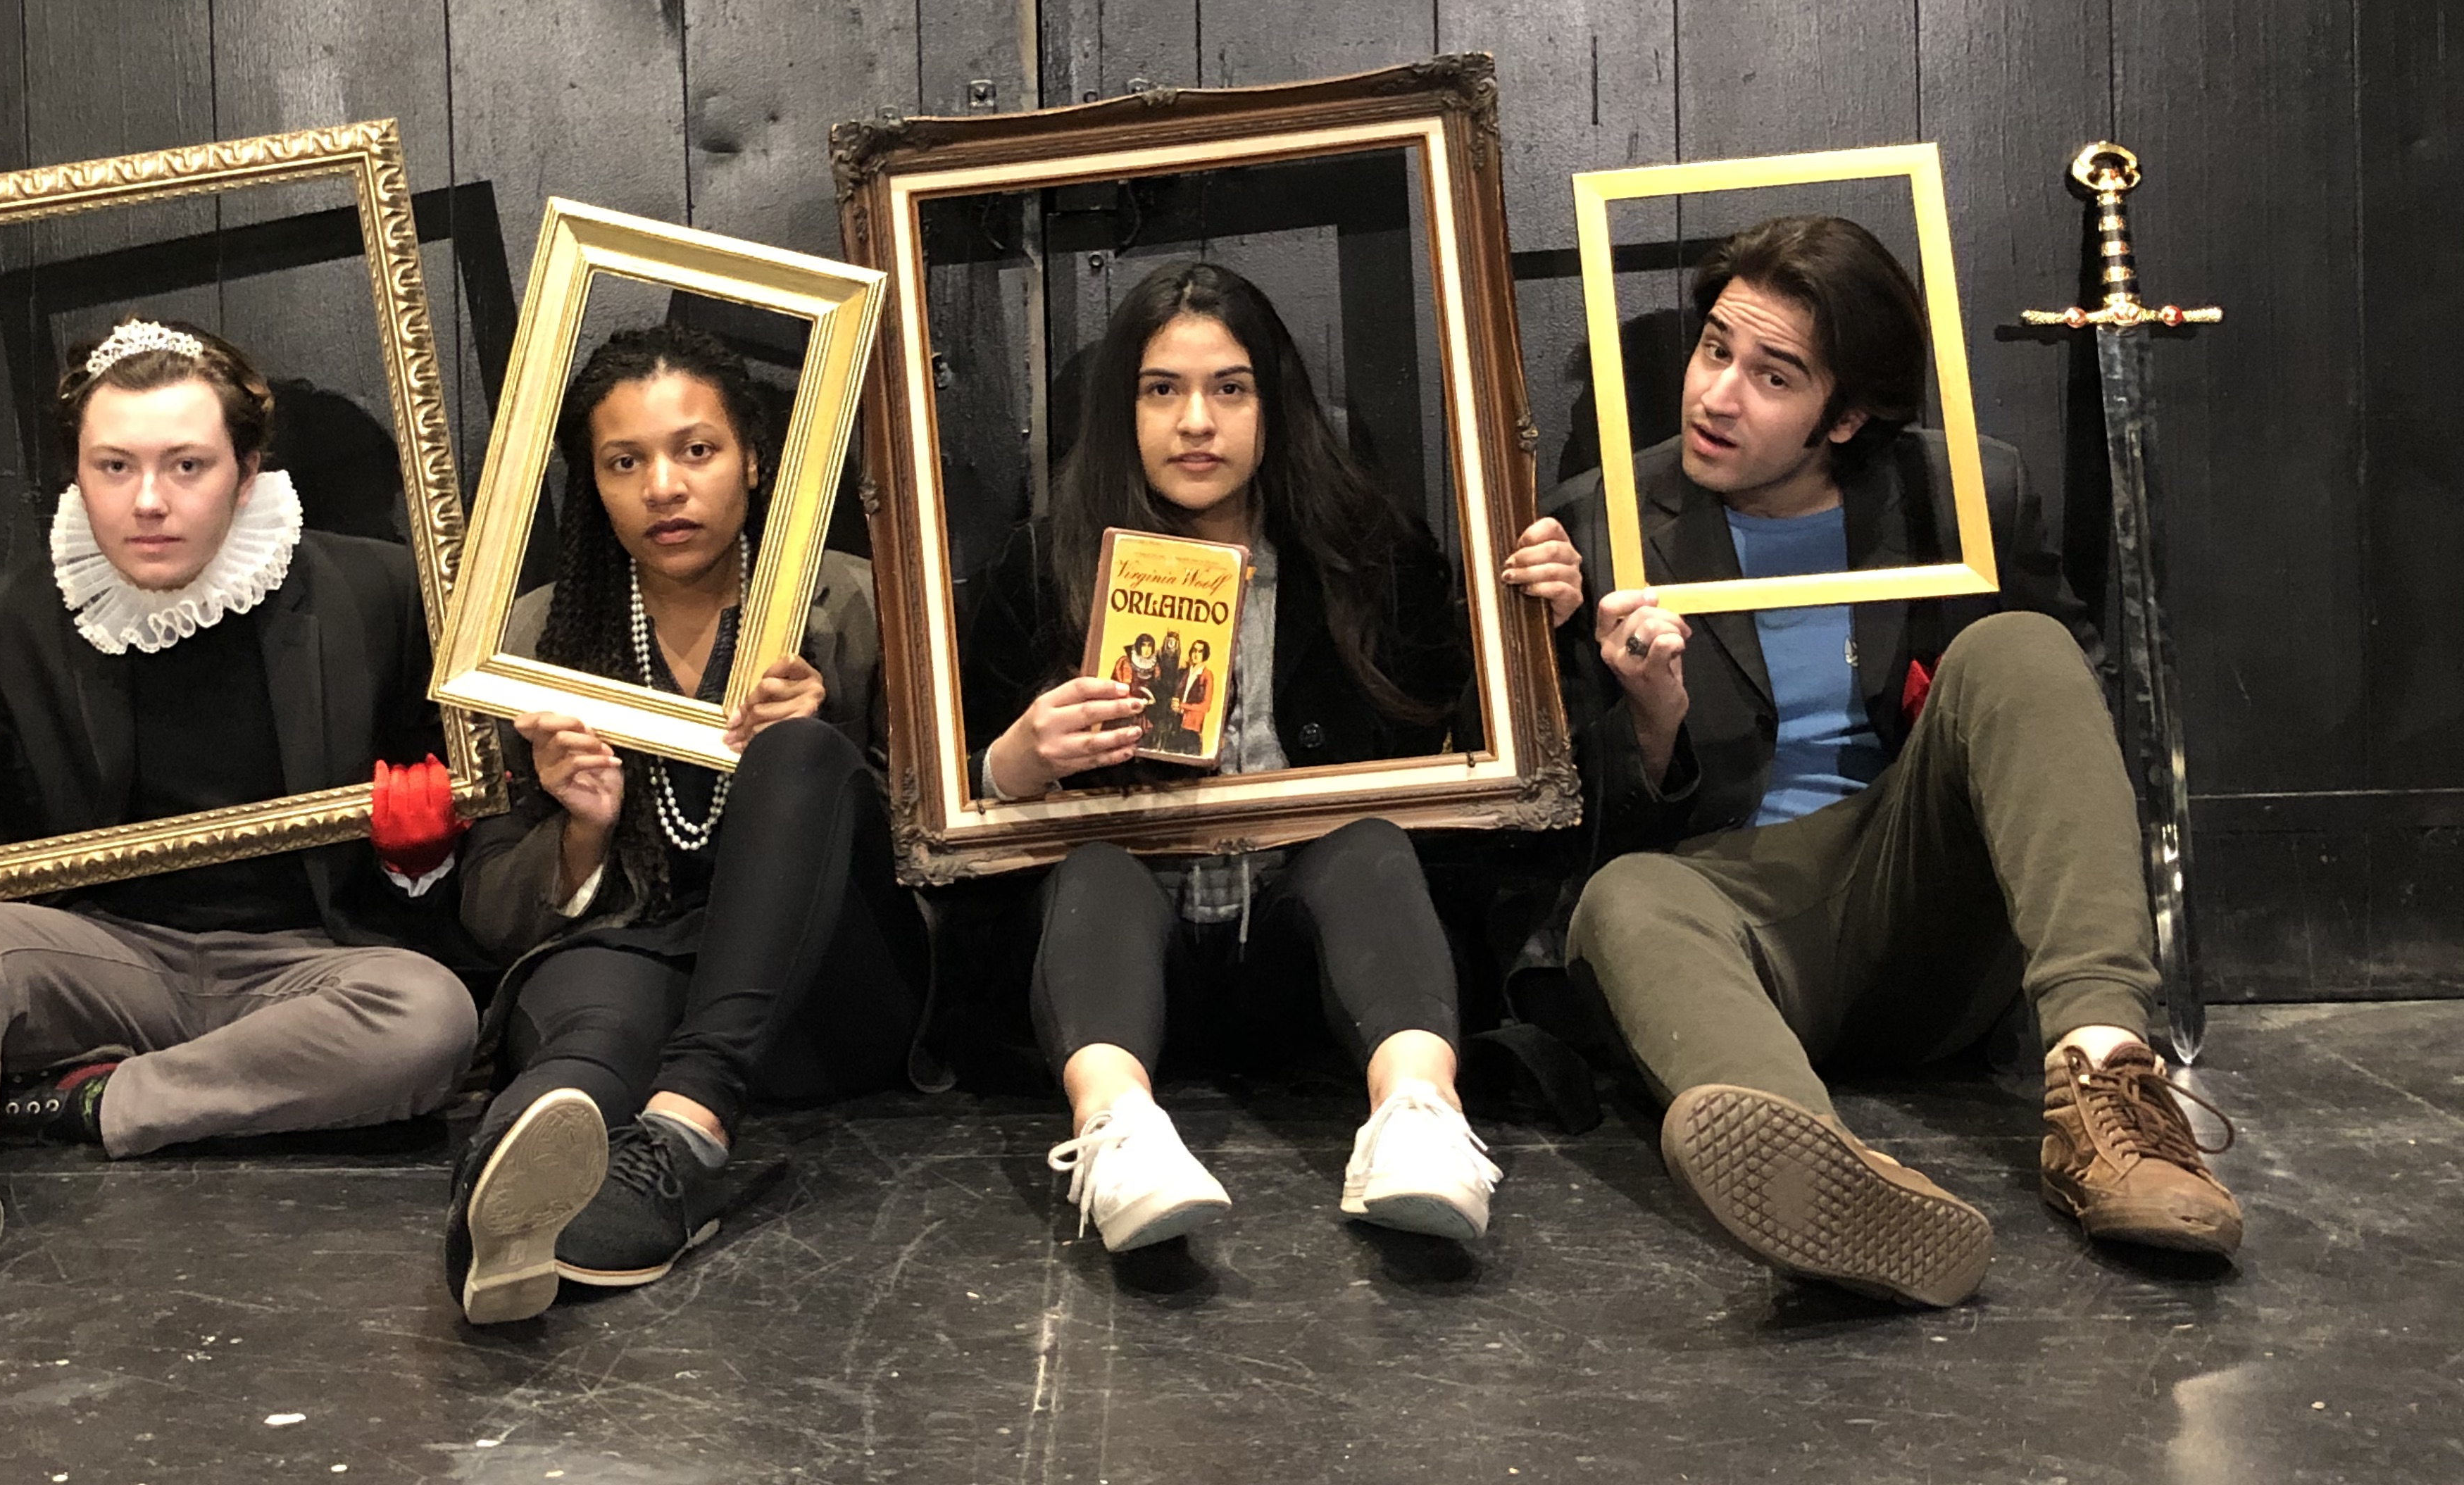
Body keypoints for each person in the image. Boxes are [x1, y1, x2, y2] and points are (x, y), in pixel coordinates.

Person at [1528, 214, 2241, 1308]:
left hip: (1920, 898)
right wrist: (1653, 712)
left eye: (1774, 376)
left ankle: (2107, 1090)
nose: (1718, 395)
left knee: (2024, 647)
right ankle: (1822, 1179)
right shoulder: (1603, 524)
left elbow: (2064, 732)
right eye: (1715, 349)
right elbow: (1585, 833)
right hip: (1735, 920)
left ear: (1848, 414)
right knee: (1621, 896)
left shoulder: (1967, 496)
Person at [0, 320, 480, 1316]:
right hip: (107, 955)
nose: (148, 501)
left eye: (186, 465)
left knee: (430, 1016)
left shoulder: (376, 589)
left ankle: (82, 1104)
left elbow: (462, 815)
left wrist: (421, 857)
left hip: (310, 968)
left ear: (247, 473)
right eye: (114, 466)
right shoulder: (21, 607)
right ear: (78, 472)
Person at [960, 259, 1511, 1253]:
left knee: (1371, 843)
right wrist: (1012, 762)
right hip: (1124, 967)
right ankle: (1117, 1134)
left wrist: (1538, 621)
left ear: (1276, 403)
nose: (1197, 423)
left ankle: (1422, 1118)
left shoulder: (1369, 556)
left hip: (1315, 969)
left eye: (1230, 388)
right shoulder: (1039, 569)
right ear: (1121, 409)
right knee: (1096, 869)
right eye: (1161, 389)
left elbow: (1490, 745)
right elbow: (928, 807)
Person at [442, 324, 925, 1325]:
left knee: (800, 753)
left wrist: (828, 747)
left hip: (821, 1006)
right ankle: (507, 1189)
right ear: (595, 483)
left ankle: (683, 1145)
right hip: (640, 982)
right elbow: (490, 912)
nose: (664, 485)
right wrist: (579, 831)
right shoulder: (537, 637)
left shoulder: (859, 605)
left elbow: (938, 854)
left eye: (694, 451)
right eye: (626, 461)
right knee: (593, 1013)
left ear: (752, 458)